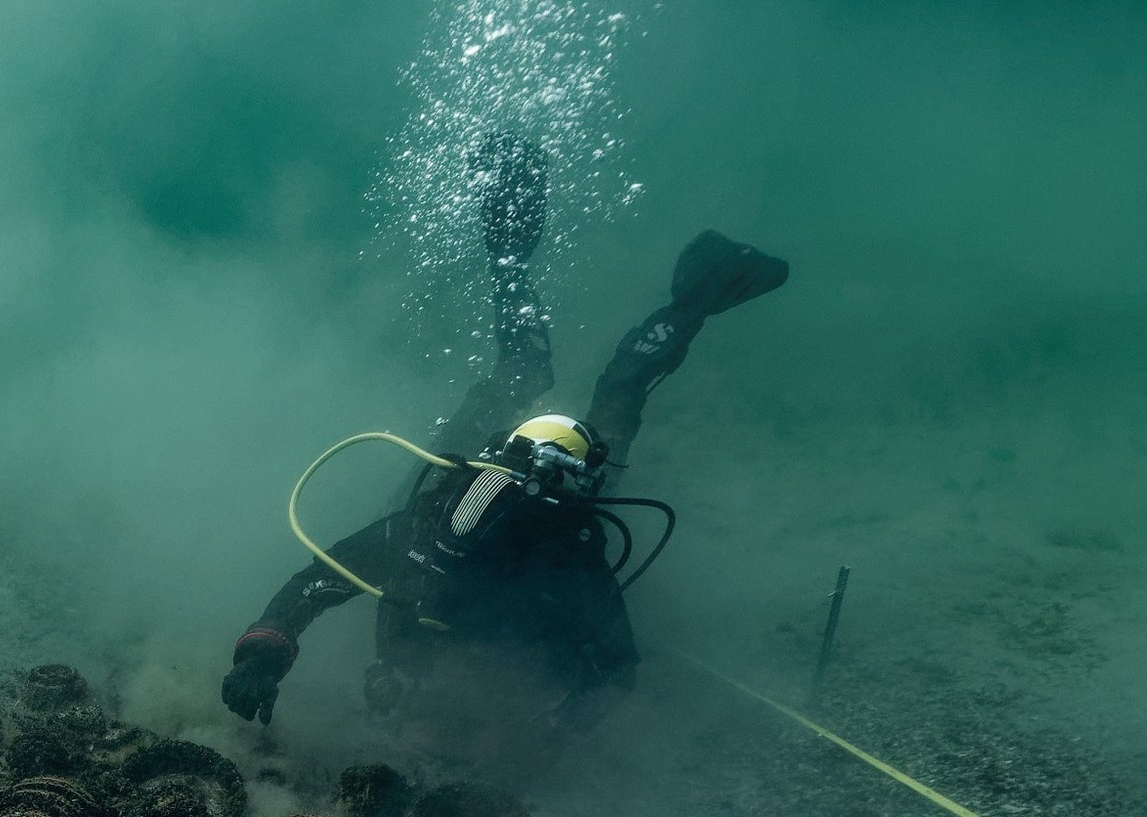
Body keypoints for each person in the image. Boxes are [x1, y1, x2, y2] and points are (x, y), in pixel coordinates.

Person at [222, 139, 788, 771]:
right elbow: (613, 671)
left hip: (539, 480)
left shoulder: (543, 552)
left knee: (576, 390)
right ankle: (597, 274)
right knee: (600, 393)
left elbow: (614, 671)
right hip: (515, 472)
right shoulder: (449, 528)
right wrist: (262, 653)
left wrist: (543, 740)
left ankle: (562, 263)